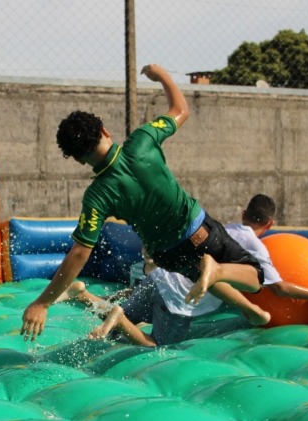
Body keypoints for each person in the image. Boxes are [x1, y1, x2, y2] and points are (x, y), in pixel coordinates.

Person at [21, 63, 269, 342]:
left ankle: (244, 305)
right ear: (105, 131)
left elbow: (79, 253)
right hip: (201, 232)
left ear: (78, 159)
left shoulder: (97, 195)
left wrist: (42, 303)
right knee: (256, 276)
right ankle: (220, 273)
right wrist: (162, 76)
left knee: (199, 274)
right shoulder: (142, 140)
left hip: (168, 256)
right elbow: (181, 110)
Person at [58, 194, 308, 347]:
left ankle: (82, 295)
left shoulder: (224, 231)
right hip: (179, 299)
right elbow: (279, 287)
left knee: (122, 330)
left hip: (158, 278)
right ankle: (117, 318)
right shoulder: (252, 249)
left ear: (243, 213)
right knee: (157, 345)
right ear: (270, 223)